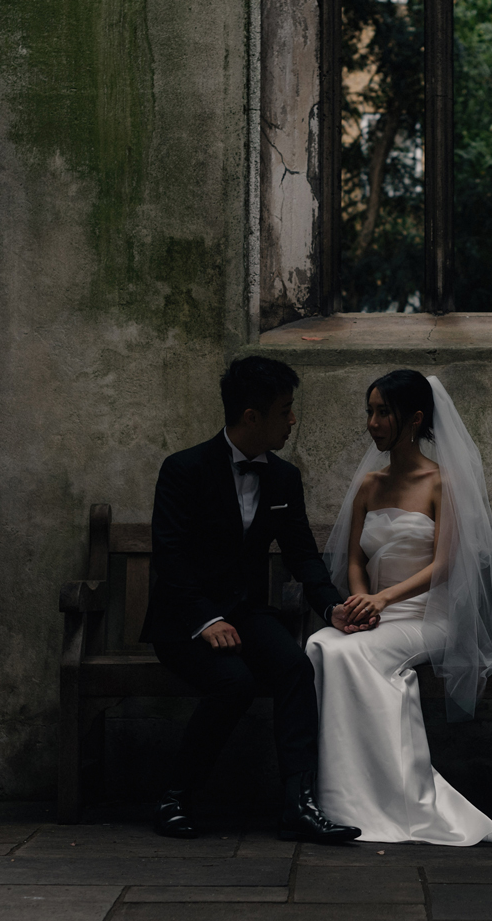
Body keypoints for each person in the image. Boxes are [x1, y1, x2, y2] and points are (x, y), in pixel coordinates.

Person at [305, 370, 492, 845]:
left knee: (355, 655)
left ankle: (400, 800)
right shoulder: (369, 486)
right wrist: (358, 602)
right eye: (369, 412)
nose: (372, 423)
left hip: (424, 617)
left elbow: (444, 563)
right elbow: (354, 558)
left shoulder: (443, 483)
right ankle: (339, 795)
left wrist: (384, 598)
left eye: (382, 412)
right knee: (320, 644)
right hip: (373, 614)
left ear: (414, 419)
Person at [138, 356, 366, 843]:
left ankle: (298, 806)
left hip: (245, 613)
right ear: (251, 417)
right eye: (285, 410)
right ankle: (175, 796)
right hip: (184, 621)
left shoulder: (284, 478)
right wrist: (205, 619)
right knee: (234, 683)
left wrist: (332, 607)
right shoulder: (183, 470)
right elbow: (170, 558)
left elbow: (303, 554)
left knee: (294, 666)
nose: (292, 419)